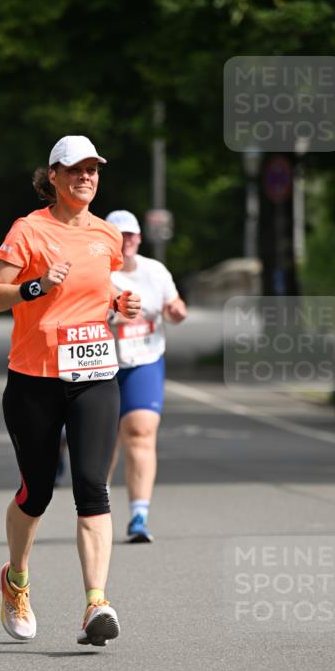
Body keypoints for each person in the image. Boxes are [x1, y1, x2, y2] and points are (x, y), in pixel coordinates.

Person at [0, 135, 141, 646]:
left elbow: (97, 287)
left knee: (94, 486)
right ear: (53, 176)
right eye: (74, 170)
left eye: (92, 170)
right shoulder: (29, 230)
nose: (85, 178)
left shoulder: (107, 235)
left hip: (95, 374)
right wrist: (36, 286)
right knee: (38, 491)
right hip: (33, 380)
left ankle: (97, 603)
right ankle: (16, 580)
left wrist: (121, 302)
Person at [106, 209, 187, 543]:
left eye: (131, 235)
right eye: (119, 235)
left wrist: (176, 311)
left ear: (139, 238)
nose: (126, 241)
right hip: (102, 365)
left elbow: (174, 304)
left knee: (140, 431)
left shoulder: (155, 271)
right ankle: (98, 510)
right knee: (104, 442)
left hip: (145, 360)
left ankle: (139, 515)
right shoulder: (96, 271)